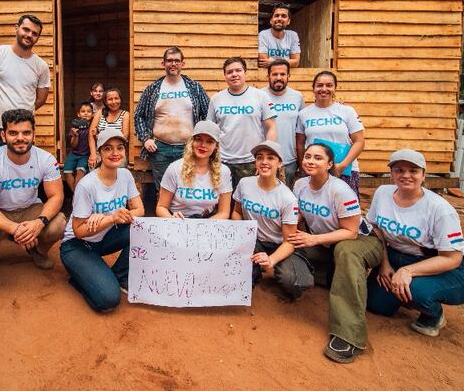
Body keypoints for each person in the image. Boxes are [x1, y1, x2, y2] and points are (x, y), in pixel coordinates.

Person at [366, 149, 464, 337]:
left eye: (413, 171)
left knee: (416, 291)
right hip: (396, 257)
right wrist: (384, 263)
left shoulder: (440, 209)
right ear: (391, 174)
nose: (406, 175)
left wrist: (407, 271)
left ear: (423, 175)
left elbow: (452, 258)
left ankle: (433, 315)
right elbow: (376, 229)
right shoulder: (382, 193)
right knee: (376, 305)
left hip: (445, 266)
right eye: (399, 170)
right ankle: (402, 295)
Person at [289, 143, 382, 364]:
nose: (310, 161)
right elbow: (299, 216)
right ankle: (331, 276)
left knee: (345, 251)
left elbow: (351, 232)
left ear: (330, 164)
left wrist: (313, 239)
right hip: (326, 243)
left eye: (318, 158)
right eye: (308, 156)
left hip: (360, 241)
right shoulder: (300, 184)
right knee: (293, 247)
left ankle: (349, 336)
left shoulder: (340, 190)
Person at [0, 109, 67, 283]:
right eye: (13, 133)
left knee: (58, 224)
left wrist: (39, 223)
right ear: (3, 136)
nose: (20, 138)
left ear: (34, 135)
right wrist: (15, 229)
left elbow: (56, 196)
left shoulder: (46, 159)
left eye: (26, 133)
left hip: (29, 209)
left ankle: (37, 251)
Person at [60, 129, 145, 312]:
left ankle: (118, 275)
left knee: (142, 230)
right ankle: (81, 278)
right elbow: (78, 231)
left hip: (103, 237)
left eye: (119, 148)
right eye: (108, 148)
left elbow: (140, 210)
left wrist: (117, 216)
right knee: (108, 300)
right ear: (99, 153)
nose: (115, 153)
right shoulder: (86, 185)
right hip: (77, 245)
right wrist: (111, 218)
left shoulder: (125, 175)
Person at [0, 14, 50, 162]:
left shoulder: (41, 66)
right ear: (16, 28)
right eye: (26, 29)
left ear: (38, 38)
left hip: (21, 132)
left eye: (34, 33)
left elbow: (41, 99)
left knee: (20, 172)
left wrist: (22, 112)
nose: (29, 35)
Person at [232, 140, 303, 298]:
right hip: (253, 240)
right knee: (235, 274)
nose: (264, 162)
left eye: (270, 158)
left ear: (279, 163)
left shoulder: (288, 198)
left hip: (279, 244)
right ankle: (255, 271)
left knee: (292, 282)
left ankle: (277, 266)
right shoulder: (245, 183)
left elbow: (289, 242)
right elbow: (236, 212)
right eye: (260, 157)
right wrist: (242, 234)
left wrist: (271, 260)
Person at [135, 47, 210, 192]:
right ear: (163, 64)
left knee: (188, 188)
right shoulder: (153, 89)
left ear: (183, 64)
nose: (173, 64)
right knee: (163, 190)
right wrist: (145, 139)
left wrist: (202, 141)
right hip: (160, 149)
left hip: (189, 148)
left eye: (177, 61)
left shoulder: (194, 87)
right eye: (169, 61)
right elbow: (139, 116)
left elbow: (208, 114)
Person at [207, 57, 277, 190]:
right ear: (225, 76)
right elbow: (210, 131)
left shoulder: (261, 96)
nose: (234, 74)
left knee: (249, 198)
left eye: (238, 70)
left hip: (251, 162)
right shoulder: (216, 99)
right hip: (222, 162)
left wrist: (264, 159)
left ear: (245, 72)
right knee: (223, 199)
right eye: (229, 72)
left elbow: (271, 128)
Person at [296, 70, 365, 197]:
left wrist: (342, 165)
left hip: (343, 170)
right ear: (313, 88)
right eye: (319, 85)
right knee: (316, 206)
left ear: (335, 88)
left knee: (344, 206)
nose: (324, 89)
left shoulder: (347, 111)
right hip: (315, 170)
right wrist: (303, 167)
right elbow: (300, 144)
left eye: (329, 85)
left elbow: (359, 141)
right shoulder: (304, 114)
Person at [155, 120, 232, 219]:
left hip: (207, 221)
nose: (203, 145)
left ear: (216, 146)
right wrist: (172, 219)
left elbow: (224, 213)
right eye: (198, 139)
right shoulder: (175, 168)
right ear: (192, 142)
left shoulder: (223, 171)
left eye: (209, 141)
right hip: (178, 221)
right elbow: (161, 207)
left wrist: (203, 225)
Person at [262, 58, 305, 187]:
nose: (279, 77)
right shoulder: (259, 95)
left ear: (288, 76)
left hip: (289, 161)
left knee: (287, 197)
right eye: (275, 74)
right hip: (263, 160)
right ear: (268, 76)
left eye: (282, 74)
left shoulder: (297, 97)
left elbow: (301, 131)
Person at [88, 87, 130, 169]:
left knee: (117, 174)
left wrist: (100, 135)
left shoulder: (125, 114)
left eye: (116, 98)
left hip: (117, 152)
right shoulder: (100, 113)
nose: (114, 102)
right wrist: (93, 154)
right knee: (95, 171)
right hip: (100, 151)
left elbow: (124, 136)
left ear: (120, 100)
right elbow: (90, 134)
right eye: (110, 99)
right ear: (105, 102)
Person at [257, 3, 301, 69]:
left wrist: (273, 62)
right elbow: (263, 61)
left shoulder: (293, 35)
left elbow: (296, 62)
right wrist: (287, 62)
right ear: (271, 20)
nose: (279, 18)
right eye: (276, 15)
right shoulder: (263, 35)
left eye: (284, 16)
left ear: (288, 21)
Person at [64, 101, 94, 192]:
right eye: (83, 111)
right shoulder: (75, 127)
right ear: (78, 114)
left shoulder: (92, 127)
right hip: (74, 154)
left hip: (85, 155)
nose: (86, 113)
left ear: (92, 114)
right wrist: (75, 135)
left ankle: (76, 195)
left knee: (80, 171)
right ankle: (76, 194)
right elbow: (73, 145)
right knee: (67, 171)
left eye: (88, 111)